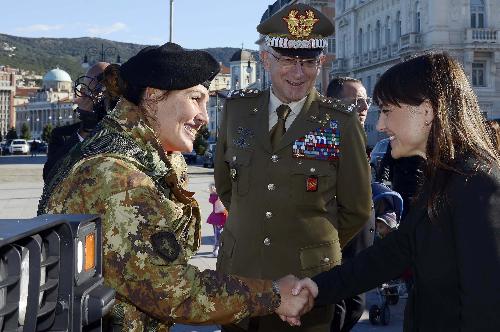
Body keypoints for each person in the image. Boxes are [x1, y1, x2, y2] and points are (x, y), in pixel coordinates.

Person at [37, 43, 318, 331]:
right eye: (195, 99)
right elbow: (173, 291)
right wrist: (272, 295)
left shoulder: (149, 156)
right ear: (154, 96)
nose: (204, 116)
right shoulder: (119, 178)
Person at [292, 52, 500, 331]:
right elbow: (393, 254)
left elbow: (486, 309)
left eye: (387, 111)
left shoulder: (477, 186)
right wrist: (316, 288)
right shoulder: (442, 178)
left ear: (427, 111)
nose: (380, 125)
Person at [214, 4, 372, 331]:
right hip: (240, 279)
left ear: (321, 62)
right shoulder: (236, 112)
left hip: (306, 288)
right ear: (267, 59)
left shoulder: (339, 122)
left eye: (309, 62)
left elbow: (356, 209)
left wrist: (314, 249)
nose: (298, 73)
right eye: (288, 60)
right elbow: (227, 188)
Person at [326, 76, 375, 332]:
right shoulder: (322, 145)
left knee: (354, 309)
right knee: (336, 316)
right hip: (337, 254)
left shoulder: (358, 142)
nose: (364, 107)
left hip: (359, 254)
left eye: (365, 101)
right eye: (356, 101)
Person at [43, 62, 116, 183]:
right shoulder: (62, 135)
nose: (103, 97)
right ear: (82, 93)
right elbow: (50, 176)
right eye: (97, 90)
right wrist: (85, 131)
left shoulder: (130, 131)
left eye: (109, 91)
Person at [207, 182, 227, 257]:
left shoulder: (226, 194)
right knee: (217, 235)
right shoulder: (215, 196)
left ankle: (222, 248)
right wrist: (213, 193)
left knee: (225, 235)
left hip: (226, 217)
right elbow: (211, 200)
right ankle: (216, 248)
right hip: (217, 218)